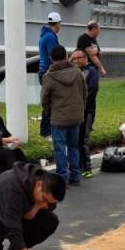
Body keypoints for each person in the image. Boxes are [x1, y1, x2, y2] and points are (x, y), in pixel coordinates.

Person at [42, 46, 87, 185]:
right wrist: (80, 109)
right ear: (67, 56)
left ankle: (62, 178)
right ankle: (75, 176)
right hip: (76, 116)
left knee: (60, 148)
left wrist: (49, 112)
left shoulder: (49, 76)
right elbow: (85, 93)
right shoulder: (78, 72)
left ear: (51, 58)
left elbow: (44, 99)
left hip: (58, 117)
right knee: (73, 146)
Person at [76, 22, 105, 178]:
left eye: (77, 58)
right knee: (77, 139)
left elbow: (92, 91)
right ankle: (78, 166)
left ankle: (86, 167)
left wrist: (84, 106)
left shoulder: (90, 72)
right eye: (73, 58)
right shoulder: (84, 39)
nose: (75, 61)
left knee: (83, 139)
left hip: (87, 110)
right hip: (78, 111)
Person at [37, 12, 62, 138]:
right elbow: (55, 57)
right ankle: (46, 131)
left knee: (48, 101)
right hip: (49, 72)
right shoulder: (51, 38)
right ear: (58, 24)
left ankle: (46, 130)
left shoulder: (44, 35)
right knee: (50, 103)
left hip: (43, 71)